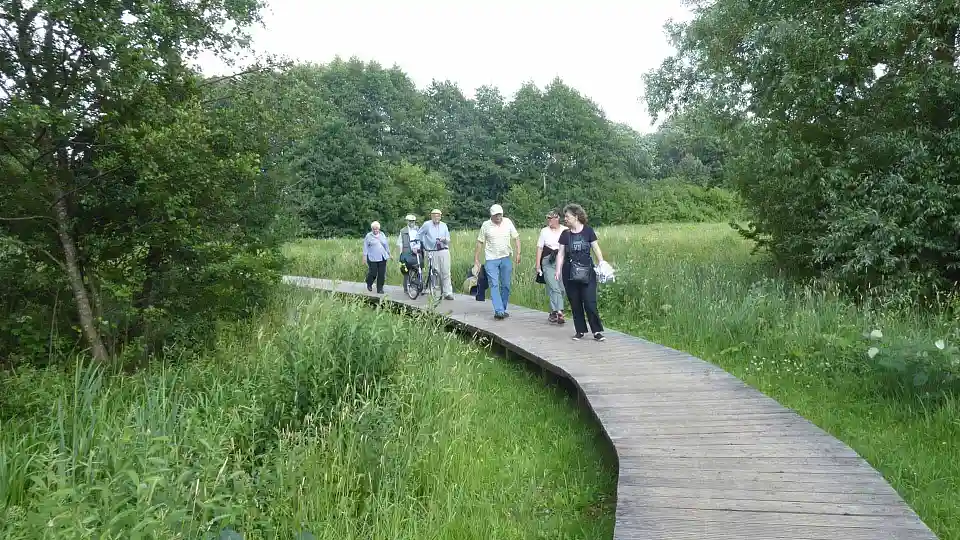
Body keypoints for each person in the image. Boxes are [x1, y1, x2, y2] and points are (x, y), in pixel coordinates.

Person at [555, 203, 606, 341]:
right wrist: (558, 270)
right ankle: (580, 331)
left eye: (567, 216)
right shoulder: (565, 234)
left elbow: (595, 248)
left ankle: (597, 331)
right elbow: (560, 253)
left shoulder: (588, 231)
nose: (565, 219)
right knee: (575, 302)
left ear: (576, 217)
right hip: (569, 272)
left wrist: (601, 262)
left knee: (590, 302)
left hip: (587, 271)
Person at [474, 203, 521, 320]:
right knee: (494, 284)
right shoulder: (486, 225)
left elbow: (516, 238)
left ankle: (503, 308)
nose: (498, 217)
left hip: (505, 257)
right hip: (491, 259)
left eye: (500, 214)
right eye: (496, 215)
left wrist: (518, 253)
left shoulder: (508, 222)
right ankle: (498, 311)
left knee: (506, 285)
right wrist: (476, 258)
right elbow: (480, 242)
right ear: (491, 215)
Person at [535, 208, 566, 324]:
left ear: (557, 218)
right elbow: (539, 248)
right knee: (553, 286)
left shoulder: (565, 230)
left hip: (561, 260)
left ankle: (553, 311)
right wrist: (538, 265)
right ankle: (560, 311)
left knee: (561, 287)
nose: (548, 220)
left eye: (550, 218)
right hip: (547, 260)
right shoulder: (544, 231)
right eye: (547, 218)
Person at [417, 209, 454, 300]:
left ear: (441, 216)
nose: (437, 217)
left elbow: (448, 239)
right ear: (431, 216)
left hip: (443, 249)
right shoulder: (427, 225)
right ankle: (435, 291)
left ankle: (448, 293)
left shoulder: (444, 225)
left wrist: (444, 239)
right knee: (434, 271)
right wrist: (421, 245)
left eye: (438, 215)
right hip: (431, 250)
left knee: (446, 272)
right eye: (435, 215)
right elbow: (419, 235)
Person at [362, 220, 390, 294]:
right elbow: (365, 247)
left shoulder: (382, 234)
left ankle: (380, 289)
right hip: (372, 258)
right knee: (373, 273)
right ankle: (369, 282)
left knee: (381, 274)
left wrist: (389, 254)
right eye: (374, 229)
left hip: (382, 257)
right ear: (372, 229)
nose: (375, 230)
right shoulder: (368, 236)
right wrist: (364, 257)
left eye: (376, 229)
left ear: (379, 229)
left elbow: (386, 245)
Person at [397, 214, 423, 292]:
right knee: (406, 270)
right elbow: (400, 243)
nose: (412, 223)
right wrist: (401, 254)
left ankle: (418, 286)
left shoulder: (419, 229)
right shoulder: (403, 231)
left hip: (417, 252)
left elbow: (421, 240)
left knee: (418, 269)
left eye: (413, 221)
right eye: (410, 221)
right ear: (407, 221)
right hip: (407, 252)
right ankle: (406, 288)